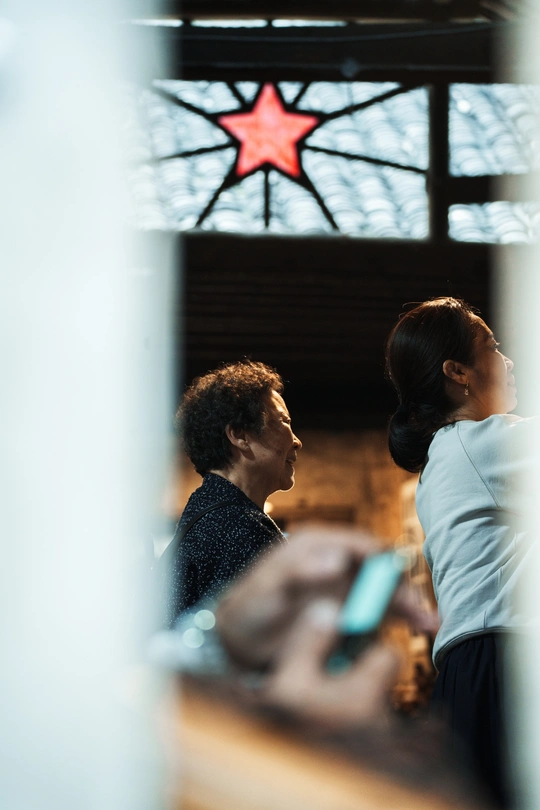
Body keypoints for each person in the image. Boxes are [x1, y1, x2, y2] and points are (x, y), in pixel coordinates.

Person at [385, 296, 538, 807]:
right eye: (492, 347)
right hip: (501, 659)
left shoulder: (442, 457)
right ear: (458, 373)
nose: (508, 359)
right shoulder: (487, 442)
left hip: (466, 670)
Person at [162, 359, 302, 626]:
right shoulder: (241, 528)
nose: (296, 441)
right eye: (284, 422)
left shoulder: (206, 515)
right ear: (240, 436)